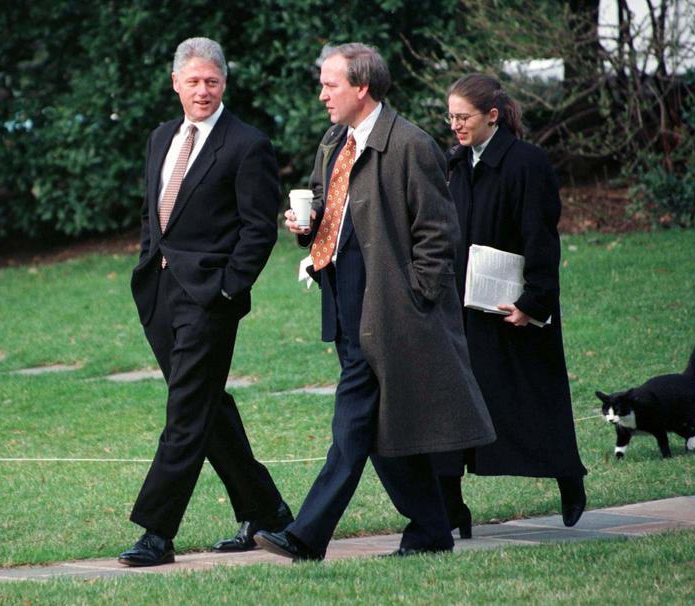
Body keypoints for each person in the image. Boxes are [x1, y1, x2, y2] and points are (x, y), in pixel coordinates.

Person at [254, 43, 495, 561]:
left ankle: (306, 535)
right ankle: (431, 529)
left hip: (389, 304)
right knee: (378, 424)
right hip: (342, 295)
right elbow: (331, 210)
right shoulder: (334, 141)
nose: (322, 95)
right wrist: (306, 224)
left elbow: (438, 234)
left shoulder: (410, 145)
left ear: (361, 87)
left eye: (330, 84)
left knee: (352, 420)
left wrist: (416, 298)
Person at [119, 37, 292, 567]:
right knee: (208, 407)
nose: (202, 91)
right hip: (159, 295)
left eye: (211, 81)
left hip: (210, 300)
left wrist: (226, 288)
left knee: (187, 411)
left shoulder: (246, 144)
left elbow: (258, 230)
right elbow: (154, 215)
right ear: (176, 83)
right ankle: (269, 512)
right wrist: (149, 264)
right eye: (193, 81)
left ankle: (156, 532)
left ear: (224, 84)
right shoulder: (160, 138)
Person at [434, 73, 587, 537]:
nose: (455, 125)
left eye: (464, 117)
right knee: (451, 408)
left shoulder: (527, 163)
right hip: (462, 310)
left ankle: (569, 478)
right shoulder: (455, 164)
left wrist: (533, 302)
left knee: (534, 400)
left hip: (512, 309)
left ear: (492, 117)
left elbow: (541, 236)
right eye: (451, 117)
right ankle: (451, 506)